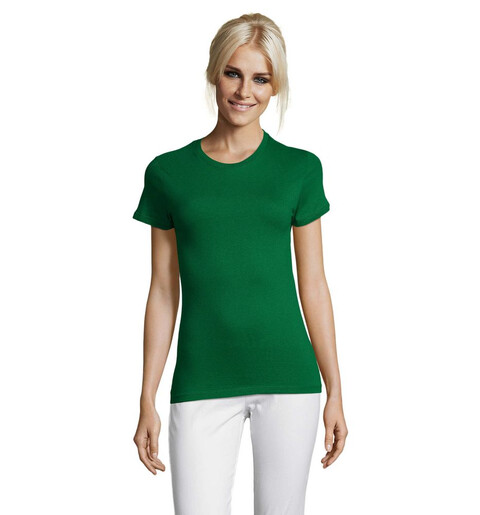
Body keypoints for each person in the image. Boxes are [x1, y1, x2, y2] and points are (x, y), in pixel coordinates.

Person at [132, 12, 348, 515]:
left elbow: (314, 284)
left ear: (276, 87)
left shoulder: (299, 169)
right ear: (214, 72)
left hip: (288, 376)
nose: (244, 91)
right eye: (233, 73)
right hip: (201, 377)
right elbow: (162, 291)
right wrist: (147, 396)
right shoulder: (168, 173)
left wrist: (336, 389)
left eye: (260, 79)